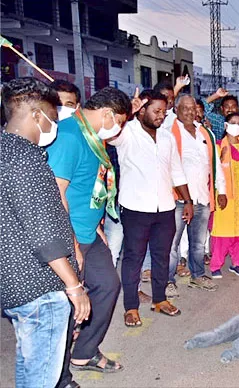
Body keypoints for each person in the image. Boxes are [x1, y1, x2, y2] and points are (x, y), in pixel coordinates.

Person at [1, 77, 90, 388]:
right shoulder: (27, 159)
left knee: (29, 366)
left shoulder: (3, 150)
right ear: (37, 116)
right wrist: (74, 286)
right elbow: (43, 233)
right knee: (41, 378)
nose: (54, 127)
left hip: (14, 283)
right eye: (53, 118)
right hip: (39, 288)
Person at [47, 87, 130, 374]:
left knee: (107, 285)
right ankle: (58, 375)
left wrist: (97, 226)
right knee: (70, 304)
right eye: (119, 121)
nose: (118, 129)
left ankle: (83, 353)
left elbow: (90, 186)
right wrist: (71, 244)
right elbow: (56, 194)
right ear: (107, 114)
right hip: (68, 236)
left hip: (89, 232)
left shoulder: (92, 137)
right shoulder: (70, 137)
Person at [108, 91, 193, 325]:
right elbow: (106, 134)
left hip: (165, 207)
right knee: (133, 258)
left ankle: (159, 299)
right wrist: (126, 113)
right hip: (135, 208)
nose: (161, 116)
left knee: (161, 256)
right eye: (156, 111)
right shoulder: (126, 133)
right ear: (142, 110)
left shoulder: (167, 138)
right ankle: (131, 307)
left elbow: (176, 171)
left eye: (164, 112)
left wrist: (187, 201)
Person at [166, 94, 224, 295]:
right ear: (176, 110)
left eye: (193, 108)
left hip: (202, 197)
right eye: (185, 108)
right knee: (172, 242)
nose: (190, 112)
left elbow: (214, 164)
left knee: (198, 243)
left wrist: (220, 190)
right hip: (177, 199)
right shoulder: (169, 132)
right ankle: (167, 280)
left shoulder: (205, 133)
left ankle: (197, 275)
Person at [209, 113, 239, 278]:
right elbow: (214, 172)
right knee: (222, 232)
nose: (236, 126)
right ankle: (216, 265)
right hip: (224, 196)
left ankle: (237, 263)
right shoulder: (217, 146)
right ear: (225, 125)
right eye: (232, 122)